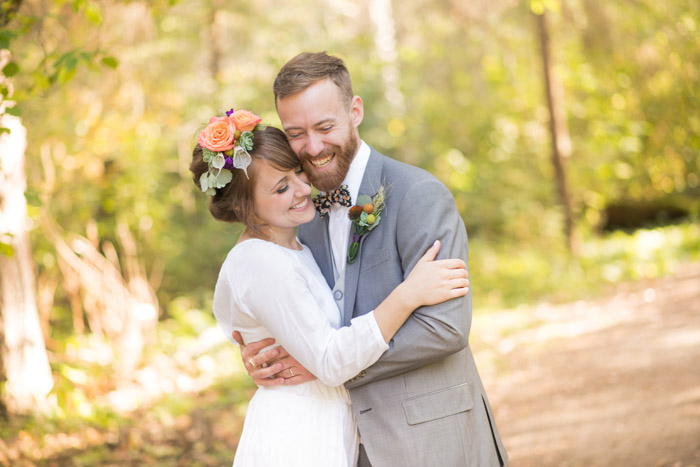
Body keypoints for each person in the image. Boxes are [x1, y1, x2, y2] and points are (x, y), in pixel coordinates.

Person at [237, 52, 509, 466]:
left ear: (355, 111)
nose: (312, 147)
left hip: (430, 439)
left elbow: (446, 327)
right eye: (296, 133)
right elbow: (298, 320)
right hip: (336, 443)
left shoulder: (417, 194)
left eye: (325, 127)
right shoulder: (297, 216)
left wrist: (331, 366)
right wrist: (265, 357)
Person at [190, 113, 470, 466]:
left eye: (298, 172)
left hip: (325, 426)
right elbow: (330, 361)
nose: (304, 189)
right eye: (281, 187)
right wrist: (407, 294)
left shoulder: (293, 243)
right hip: (297, 437)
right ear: (243, 206)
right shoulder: (260, 261)